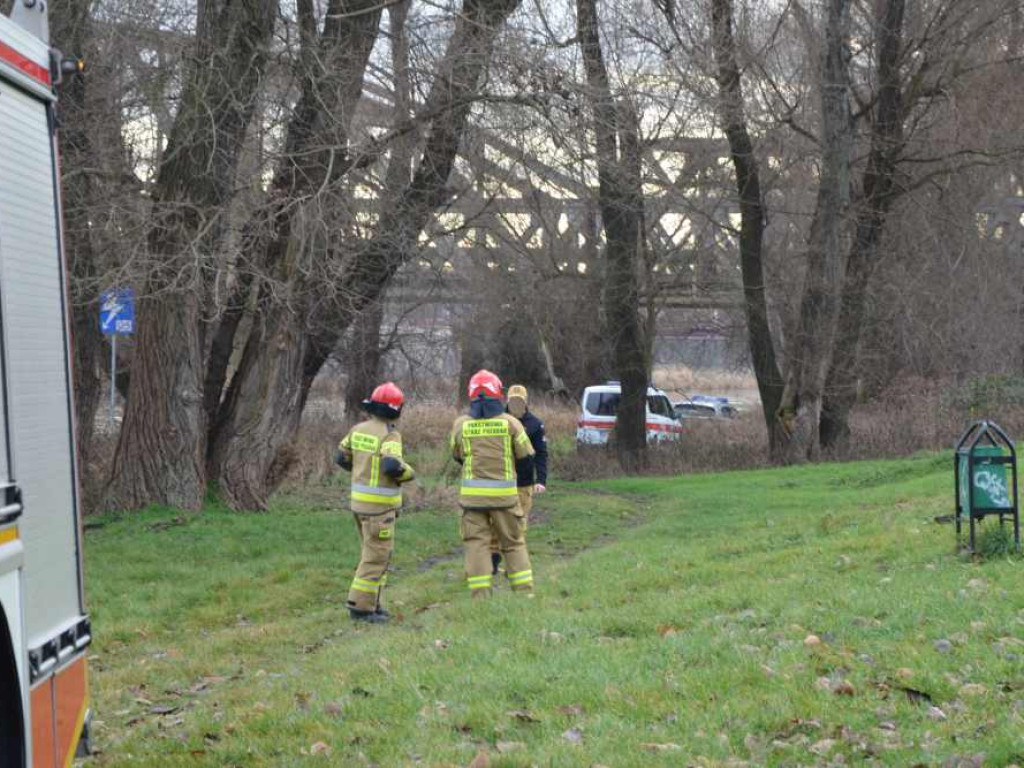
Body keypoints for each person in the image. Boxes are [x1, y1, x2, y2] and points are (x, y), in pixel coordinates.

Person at [450, 370, 535, 596]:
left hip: (472, 501)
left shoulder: (460, 425)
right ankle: (524, 594)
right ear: (498, 393)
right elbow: (526, 458)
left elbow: (457, 456)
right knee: (513, 543)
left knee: (476, 545)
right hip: (505, 499)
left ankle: (480, 597)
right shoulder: (511, 424)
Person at [335, 382, 415, 624]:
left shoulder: (358, 429)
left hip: (359, 506)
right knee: (376, 557)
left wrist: (360, 468)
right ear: (396, 409)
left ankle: (374, 604)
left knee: (371, 553)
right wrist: (408, 473)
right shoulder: (390, 434)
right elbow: (391, 466)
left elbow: (341, 457)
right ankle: (360, 608)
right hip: (380, 509)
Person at [491, 384, 548, 575]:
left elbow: (541, 453)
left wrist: (541, 480)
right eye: (512, 400)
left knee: (518, 524)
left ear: (525, 402)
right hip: (499, 481)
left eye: (519, 400)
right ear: (507, 401)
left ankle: (512, 566)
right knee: (496, 523)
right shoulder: (496, 421)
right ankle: (493, 560)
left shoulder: (535, 424)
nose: (515, 403)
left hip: (523, 483)